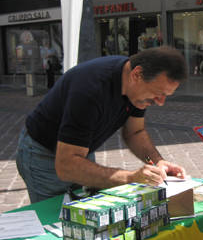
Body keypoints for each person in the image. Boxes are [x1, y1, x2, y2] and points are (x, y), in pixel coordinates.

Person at [16, 46, 188, 203]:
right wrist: (131, 178)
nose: (160, 102)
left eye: (166, 95)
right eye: (158, 93)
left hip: (78, 154)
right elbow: (66, 166)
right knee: (55, 222)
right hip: (43, 154)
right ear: (137, 74)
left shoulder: (137, 89)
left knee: (84, 214)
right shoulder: (90, 89)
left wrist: (158, 162)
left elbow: (135, 133)